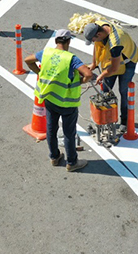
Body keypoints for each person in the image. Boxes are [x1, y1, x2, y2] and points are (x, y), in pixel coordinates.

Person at [24, 29, 93, 172]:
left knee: (51, 128)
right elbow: (88, 74)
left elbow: (28, 60)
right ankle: (72, 162)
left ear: (56, 41)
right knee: (69, 133)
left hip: (50, 99)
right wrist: (80, 81)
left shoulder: (46, 53)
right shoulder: (71, 58)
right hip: (67, 102)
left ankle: (54, 157)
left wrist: (39, 72)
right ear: (68, 41)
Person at [83, 20, 138, 132]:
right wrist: (94, 64)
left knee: (124, 91)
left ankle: (124, 121)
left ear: (99, 34)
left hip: (127, 63)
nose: (93, 41)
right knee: (105, 93)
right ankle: (105, 120)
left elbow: (114, 68)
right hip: (112, 62)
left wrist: (102, 75)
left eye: (93, 39)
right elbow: (97, 46)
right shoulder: (99, 25)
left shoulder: (115, 43)